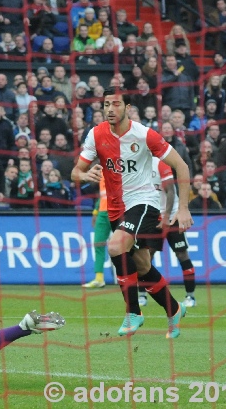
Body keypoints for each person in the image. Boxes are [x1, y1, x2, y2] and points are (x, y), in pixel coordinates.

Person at [72, 87, 193, 338]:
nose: (109, 109)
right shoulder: (96, 135)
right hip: (117, 209)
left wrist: (183, 208)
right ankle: (174, 309)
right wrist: (84, 174)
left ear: (127, 108)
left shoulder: (144, 135)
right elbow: (76, 171)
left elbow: (181, 166)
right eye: (106, 104)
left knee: (115, 246)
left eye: (116, 104)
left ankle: (134, 312)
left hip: (144, 201)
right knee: (141, 264)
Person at [136, 157, 197, 308]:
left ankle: (190, 296)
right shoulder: (137, 164)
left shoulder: (160, 163)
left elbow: (171, 191)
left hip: (172, 216)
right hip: (152, 217)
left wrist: (166, 217)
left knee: (182, 254)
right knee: (146, 257)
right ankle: (142, 295)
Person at [82, 177, 110, 289]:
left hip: (119, 211)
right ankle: (99, 278)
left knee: (124, 246)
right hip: (103, 213)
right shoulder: (103, 173)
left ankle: (131, 277)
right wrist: (96, 211)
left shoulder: (122, 168)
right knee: (98, 244)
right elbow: (103, 195)